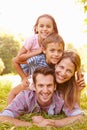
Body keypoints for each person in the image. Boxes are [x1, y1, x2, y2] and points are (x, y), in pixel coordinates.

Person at [0, 55, 84, 127]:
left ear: (55, 86)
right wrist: (34, 125)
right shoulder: (25, 95)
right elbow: (3, 117)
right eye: (40, 85)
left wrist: (51, 123)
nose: (45, 90)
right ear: (34, 86)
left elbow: (80, 117)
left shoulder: (61, 97)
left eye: (49, 85)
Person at [32, 50, 85, 127]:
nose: (63, 73)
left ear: (74, 73)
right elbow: (14, 93)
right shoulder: (43, 77)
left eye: (69, 71)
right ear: (56, 65)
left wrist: (78, 91)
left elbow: (77, 114)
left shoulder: (67, 89)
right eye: (61, 67)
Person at [8, 33, 65, 104]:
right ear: (44, 50)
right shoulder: (37, 59)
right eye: (52, 50)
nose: (56, 54)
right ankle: (8, 111)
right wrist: (23, 78)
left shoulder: (61, 61)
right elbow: (15, 61)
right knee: (13, 92)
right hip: (32, 82)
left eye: (59, 51)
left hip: (47, 86)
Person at [13, 14, 58, 80]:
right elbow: (18, 58)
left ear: (53, 29)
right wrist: (37, 52)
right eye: (41, 26)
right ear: (36, 28)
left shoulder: (54, 42)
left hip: (43, 66)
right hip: (28, 66)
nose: (45, 29)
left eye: (48, 26)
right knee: (29, 83)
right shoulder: (31, 40)